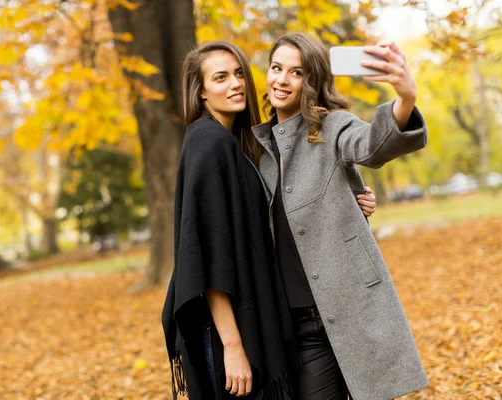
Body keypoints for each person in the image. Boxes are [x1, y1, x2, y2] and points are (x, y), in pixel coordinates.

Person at [161, 40, 376, 400]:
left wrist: (346, 201)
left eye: (239, 73)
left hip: (259, 320)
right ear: (201, 93)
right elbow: (211, 258)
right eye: (220, 78)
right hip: (229, 336)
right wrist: (232, 348)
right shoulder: (208, 143)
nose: (235, 84)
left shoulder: (238, 145)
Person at [251, 33, 429, 400]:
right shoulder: (255, 147)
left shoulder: (331, 128)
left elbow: (373, 145)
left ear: (311, 81)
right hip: (296, 327)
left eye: (296, 72)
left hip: (353, 309)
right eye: (276, 68)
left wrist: (405, 97)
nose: (282, 80)